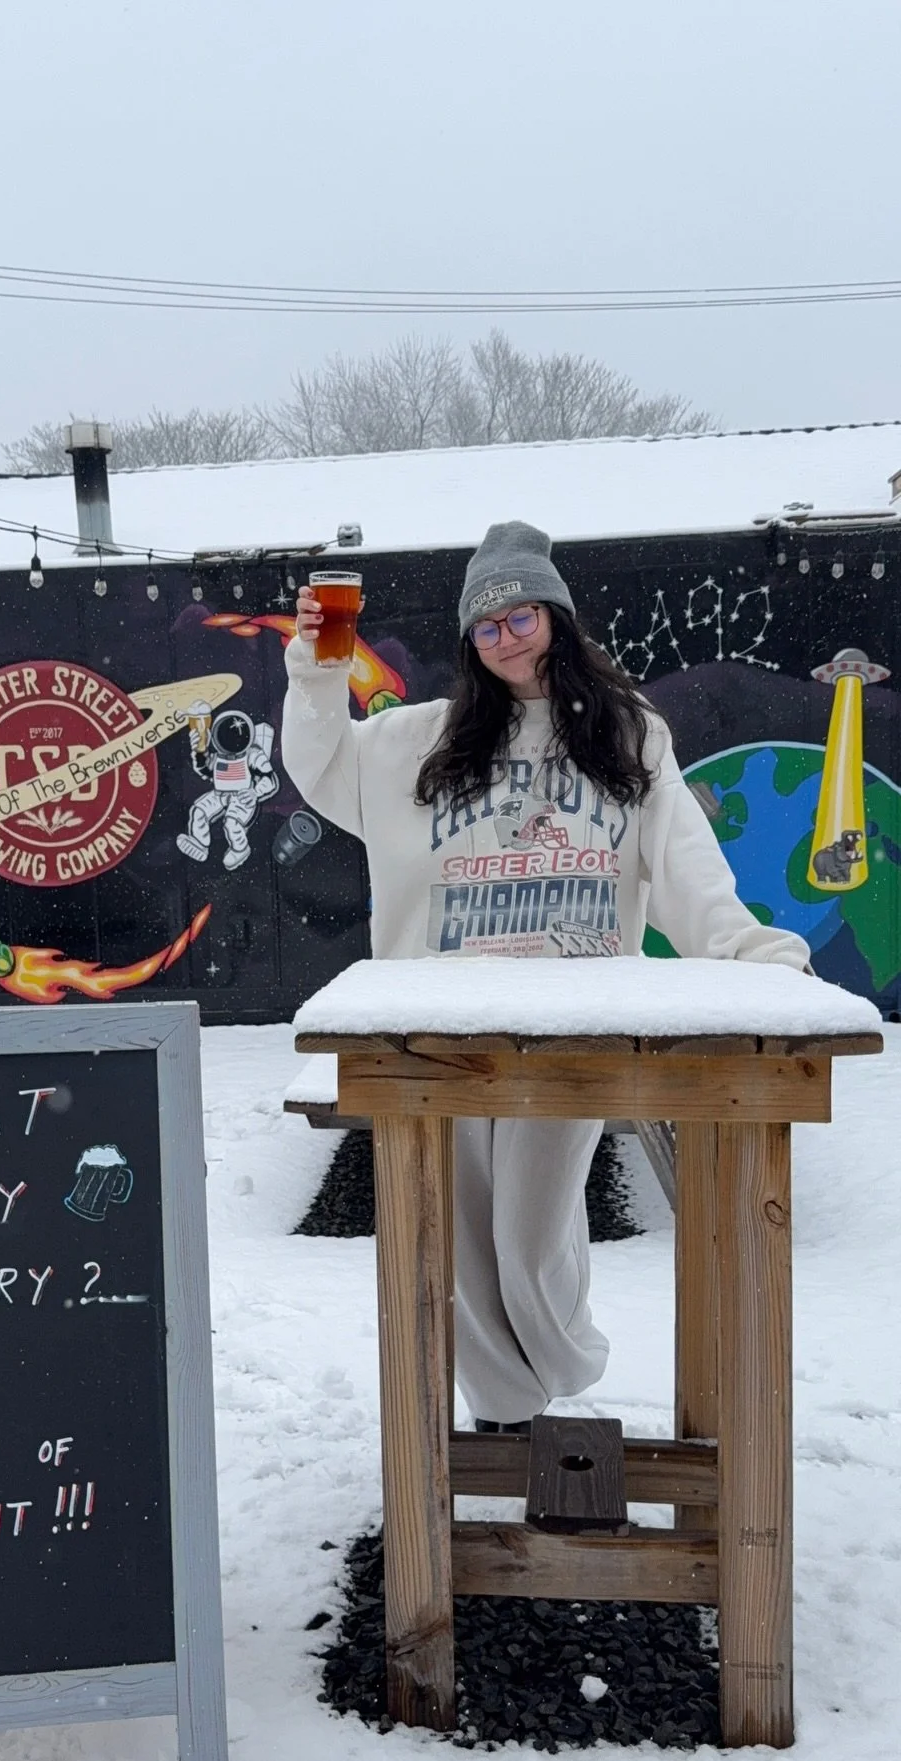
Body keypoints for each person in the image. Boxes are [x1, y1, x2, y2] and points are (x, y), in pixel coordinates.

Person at [282, 520, 810, 1431]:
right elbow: (320, 764)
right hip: (444, 1026)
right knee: (453, 1232)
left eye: (519, 615)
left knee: (530, 1232)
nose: (505, 640)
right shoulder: (422, 742)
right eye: (484, 629)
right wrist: (318, 667)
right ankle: (504, 1411)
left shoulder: (630, 735)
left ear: (556, 616)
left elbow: (687, 868)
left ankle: (558, 1364)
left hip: (575, 1023)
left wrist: (754, 955)